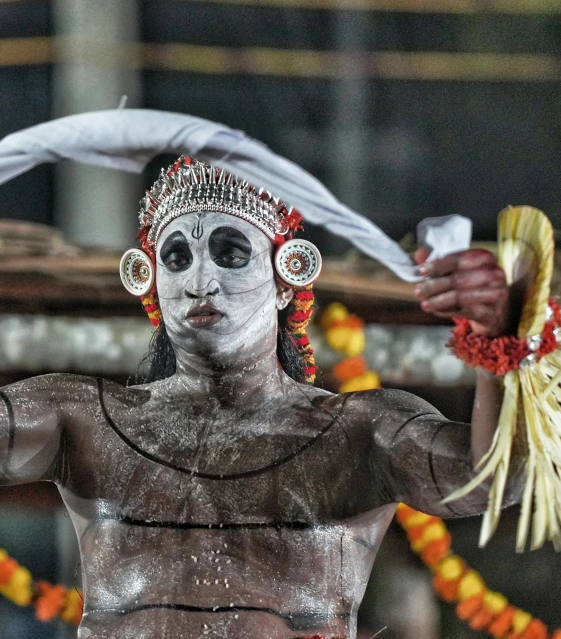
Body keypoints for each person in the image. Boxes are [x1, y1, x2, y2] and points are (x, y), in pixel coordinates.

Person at [0, 156, 520, 639]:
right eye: (176, 257)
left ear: (286, 277)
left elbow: (494, 479)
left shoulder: (360, 430)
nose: (200, 280)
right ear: (150, 281)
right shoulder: (82, 418)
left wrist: (500, 336)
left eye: (229, 253)